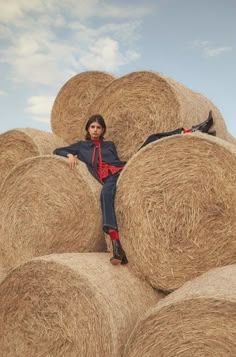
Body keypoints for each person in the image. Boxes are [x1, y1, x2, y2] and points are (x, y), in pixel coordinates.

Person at [53, 111, 214, 266]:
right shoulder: (81, 146)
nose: (95, 130)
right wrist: (70, 155)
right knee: (106, 194)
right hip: (107, 178)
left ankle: (192, 132)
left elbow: (114, 161)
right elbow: (57, 150)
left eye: (99, 127)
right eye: (93, 127)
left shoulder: (109, 144)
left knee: (151, 139)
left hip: (123, 170)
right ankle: (116, 245)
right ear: (88, 129)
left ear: (103, 130)